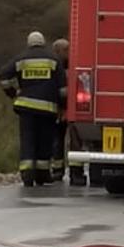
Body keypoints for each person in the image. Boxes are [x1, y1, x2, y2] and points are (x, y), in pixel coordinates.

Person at [0, 31, 62, 186]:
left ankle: (27, 175)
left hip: (26, 108)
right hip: (47, 109)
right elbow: (63, 88)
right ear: (43, 42)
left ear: (29, 43)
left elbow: (3, 77)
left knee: (28, 140)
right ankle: (42, 175)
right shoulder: (53, 60)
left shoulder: (21, 59)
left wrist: (13, 93)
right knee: (44, 141)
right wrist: (63, 106)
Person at [51, 38, 87, 185]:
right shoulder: (54, 68)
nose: (69, 52)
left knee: (76, 142)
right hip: (60, 109)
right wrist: (61, 108)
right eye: (66, 50)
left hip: (74, 110)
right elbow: (53, 91)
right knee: (57, 141)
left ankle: (76, 173)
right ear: (57, 51)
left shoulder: (76, 65)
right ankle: (57, 171)